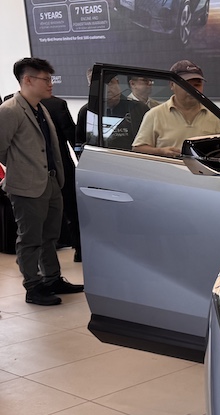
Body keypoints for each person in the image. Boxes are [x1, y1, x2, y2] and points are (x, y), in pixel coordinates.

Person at [0, 58, 84, 305]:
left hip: (51, 182)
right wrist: (22, 168)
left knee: (50, 236)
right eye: (46, 79)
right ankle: (33, 286)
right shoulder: (10, 110)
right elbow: (1, 149)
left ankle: (52, 278)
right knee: (30, 238)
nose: (50, 84)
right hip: (26, 186)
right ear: (27, 80)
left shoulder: (41, 108)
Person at [132, 60, 220, 157]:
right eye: (186, 84)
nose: (192, 89)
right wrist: (161, 152)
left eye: (197, 85)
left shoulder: (215, 116)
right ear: (172, 85)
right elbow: (137, 149)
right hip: (168, 167)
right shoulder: (154, 115)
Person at [40, 93, 80, 261]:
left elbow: (72, 136)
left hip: (56, 167)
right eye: (46, 80)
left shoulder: (57, 104)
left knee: (69, 207)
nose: (50, 84)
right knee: (71, 208)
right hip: (57, 167)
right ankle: (78, 248)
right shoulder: (56, 105)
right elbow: (73, 137)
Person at [76, 69, 148, 151]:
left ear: (117, 82)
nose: (106, 89)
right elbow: (79, 146)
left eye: (110, 83)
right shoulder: (86, 112)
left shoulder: (138, 108)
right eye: (98, 85)